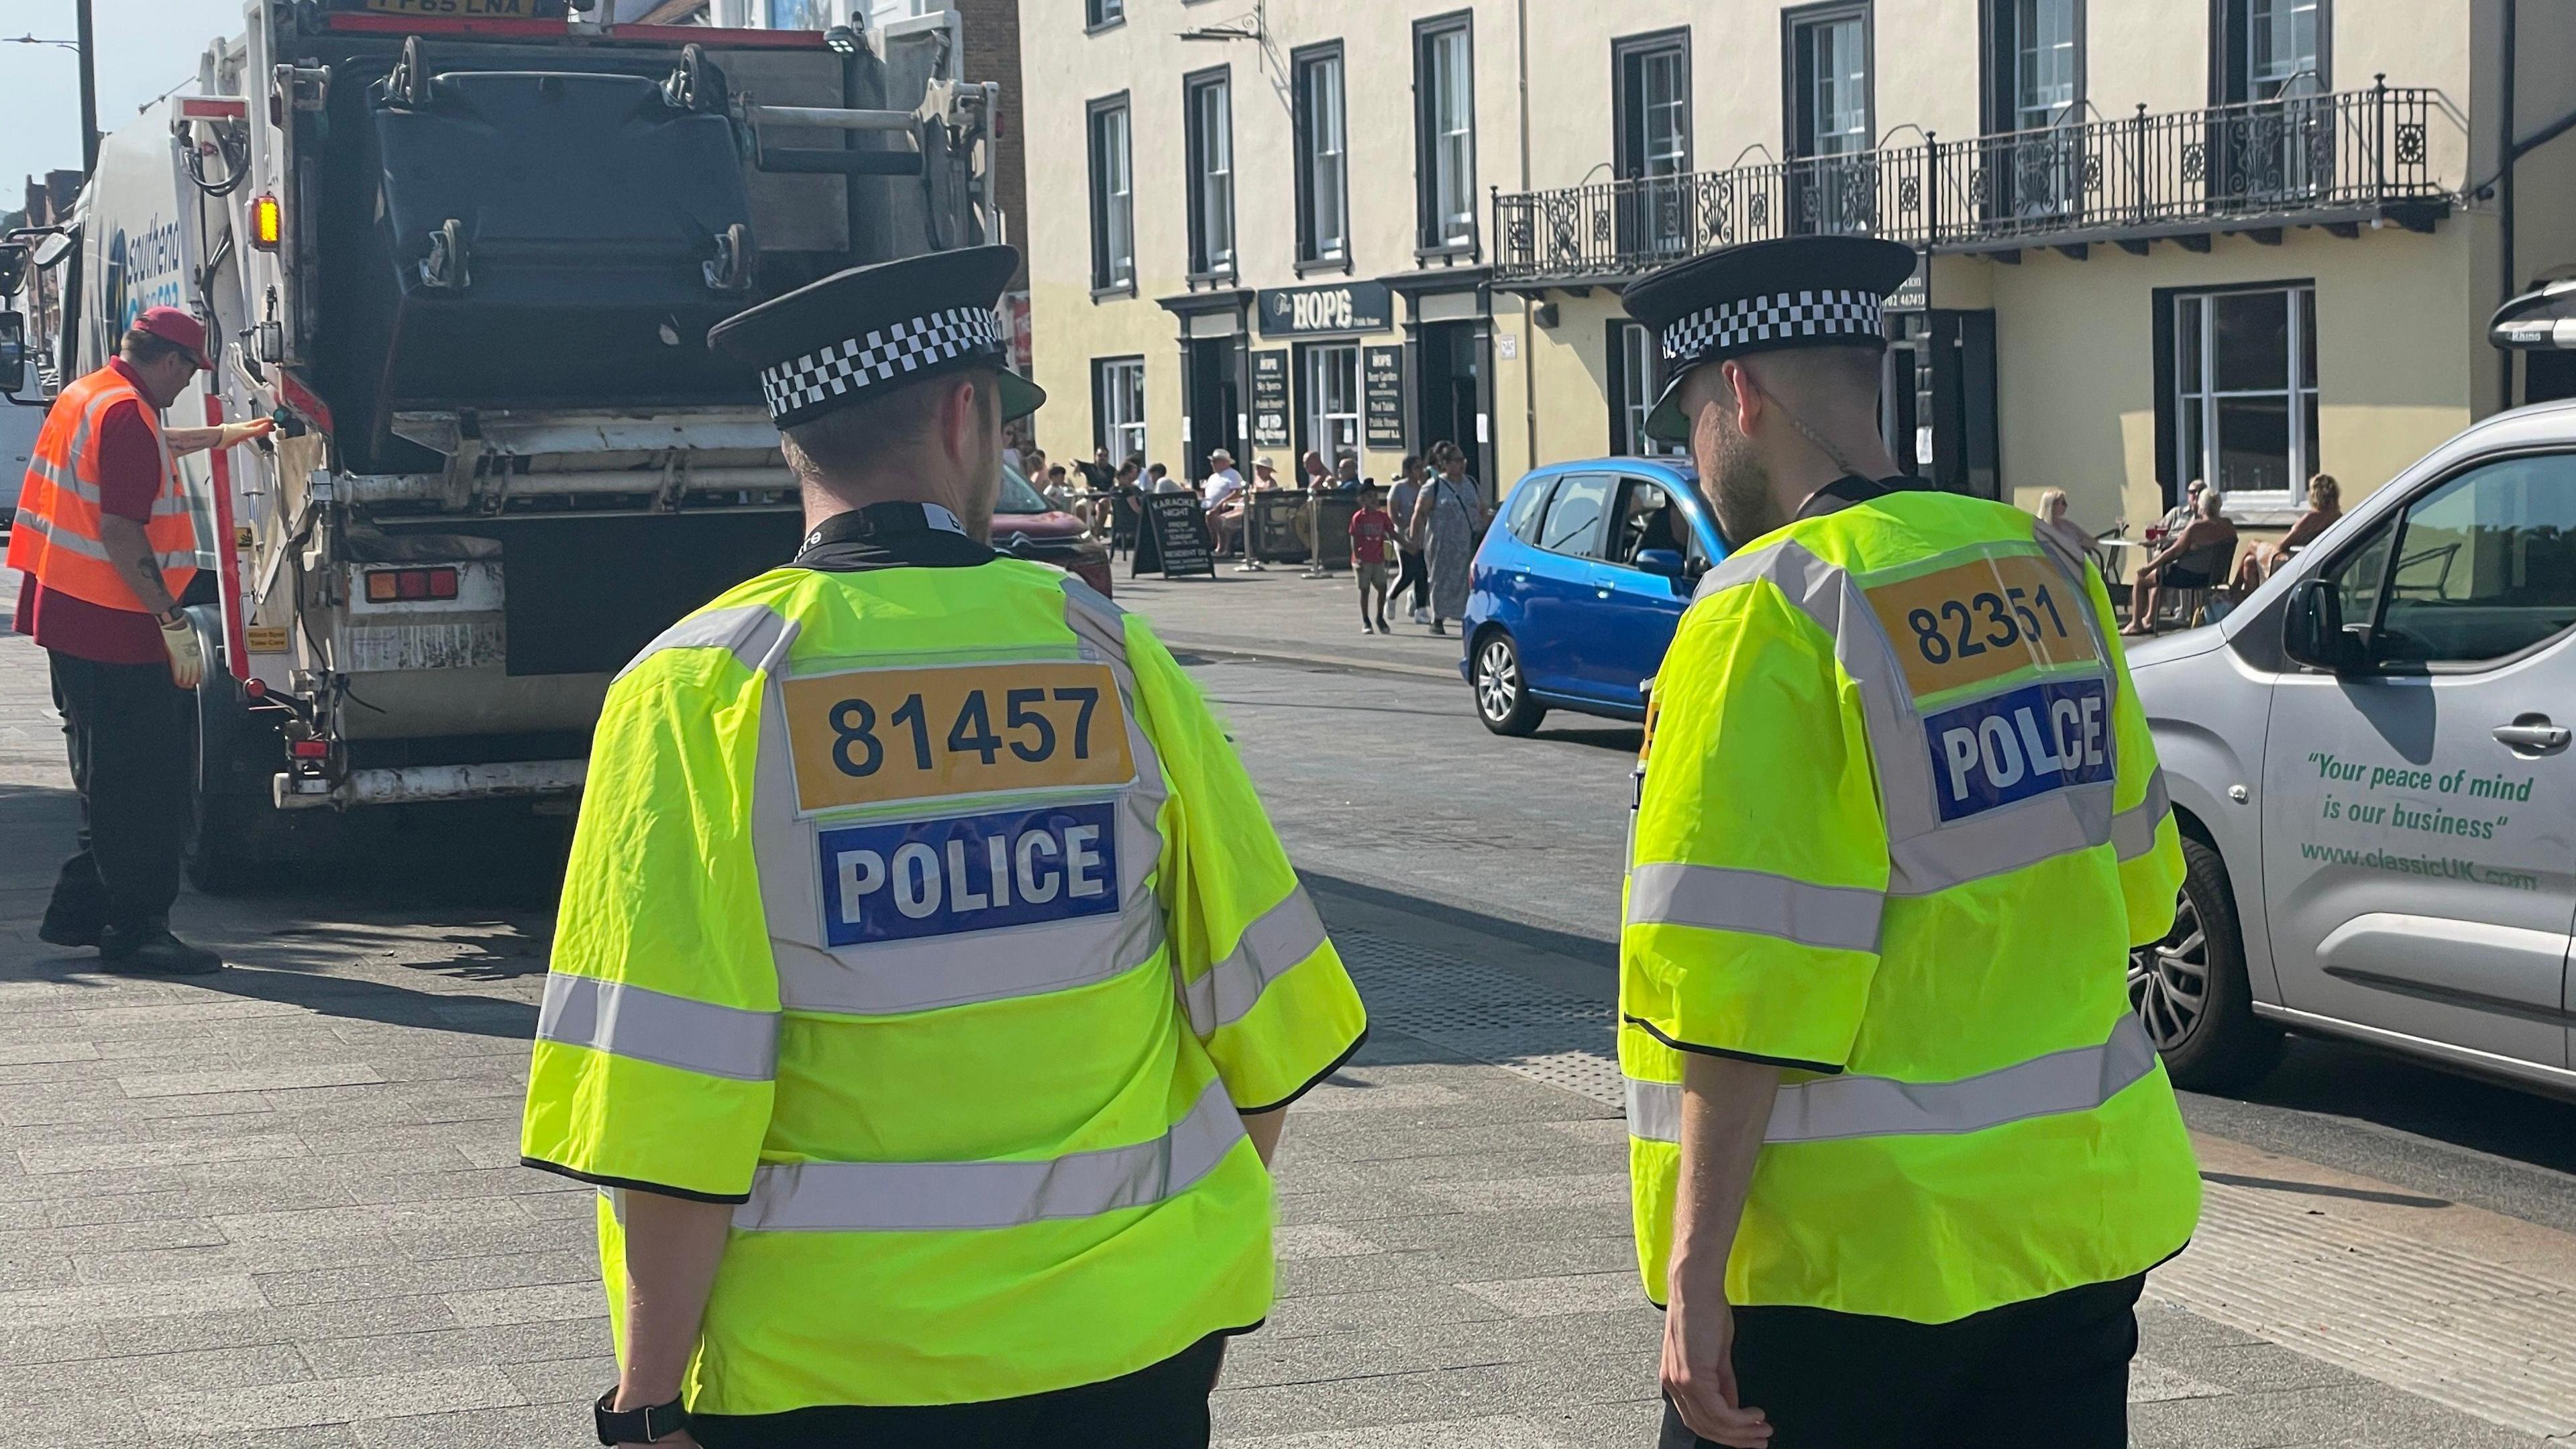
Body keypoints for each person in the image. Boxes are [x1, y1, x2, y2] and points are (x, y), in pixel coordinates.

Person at [522, 246, 1368, 1449]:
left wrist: (647, 1397)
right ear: (968, 416)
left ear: (795, 444)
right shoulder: (1110, 655)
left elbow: (665, 1092)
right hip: (1127, 1352)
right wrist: (1180, 1280)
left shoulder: (695, 690)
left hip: (823, 1376)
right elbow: (1265, 1018)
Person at [1617, 233, 2198, 1449]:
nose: (1693, 456)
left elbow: (1736, 993)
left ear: (1739, 393)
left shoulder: (1766, 613)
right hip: (2068, 1234)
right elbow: (2146, 895)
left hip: (1848, 1266)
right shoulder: (2044, 574)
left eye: (1688, 421)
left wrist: (1695, 1276)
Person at [8, 307, 275, 974]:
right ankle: (137, 933)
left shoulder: (93, 393)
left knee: (109, 776)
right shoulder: (128, 413)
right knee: (143, 782)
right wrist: (171, 619)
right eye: (189, 372)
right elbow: (122, 530)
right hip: (115, 622)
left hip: (70, 612)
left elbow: (155, 444)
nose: (187, 384)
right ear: (170, 362)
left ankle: (80, 912)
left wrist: (226, 434)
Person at [2125, 485, 2236, 635]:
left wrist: (2148, 568)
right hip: (2215, 576)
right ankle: (2150, 618)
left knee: (2142, 578)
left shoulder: (2196, 528)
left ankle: (2136, 624)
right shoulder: (2228, 525)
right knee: (2159, 574)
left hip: (2189, 576)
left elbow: (2173, 552)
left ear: (2201, 506)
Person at [1409, 440, 1485, 636]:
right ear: (1445, 463)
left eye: (1462, 460)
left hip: (1468, 543)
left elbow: (1482, 510)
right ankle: (1438, 618)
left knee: (1466, 581)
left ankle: (1464, 616)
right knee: (1440, 580)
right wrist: (1414, 538)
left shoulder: (1471, 484)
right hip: (1441, 544)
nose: (1461, 465)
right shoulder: (1434, 486)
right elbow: (1419, 513)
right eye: (1456, 461)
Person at [2231, 472, 2341, 591]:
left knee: (2253, 544)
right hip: (2310, 559)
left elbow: (2282, 545)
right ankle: (2238, 594)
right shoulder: (2336, 515)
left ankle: (2234, 590)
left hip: (2293, 561)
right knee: (2250, 562)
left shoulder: (2311, 518)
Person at [1387, 454, 1431, 623]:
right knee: (1408, 573)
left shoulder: (1424, 488)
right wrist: (1405, 529)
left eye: (1422, 468)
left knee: (1422, 573)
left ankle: (1421, 610)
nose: (1420, 471)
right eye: (1416, 468)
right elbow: (1393, 514)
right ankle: (1391, 597)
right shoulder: (1399, 488)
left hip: (1422, 536)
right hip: (1404, 537)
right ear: (1407, 471)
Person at [1349, 484, 1395, 634]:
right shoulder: (1359, 518)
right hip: (1363, 558)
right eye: (1370, 497)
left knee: (1382, 587)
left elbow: (1391, 532)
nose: (1374, 500)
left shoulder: (1382, 516)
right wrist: (1357, 557)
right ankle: (1366, 620)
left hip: (1378, 558)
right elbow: (1354, 538)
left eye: (1375, 497)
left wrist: (1406, 544)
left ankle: (1380, 617)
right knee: (1365, 590)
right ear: (1362, 500)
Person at [1202, 448, 1248, 565]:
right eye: (1212, 461)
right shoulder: (1213, 477)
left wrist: (1219, 504)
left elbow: (1236, 493)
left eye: (1216, 461)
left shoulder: (1233, 474)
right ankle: (1211, 543)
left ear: (1225, 462)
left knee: (1212, 515)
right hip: (1208, 505)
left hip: (1226, 507)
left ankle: (1220, 546)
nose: (1212, 464)